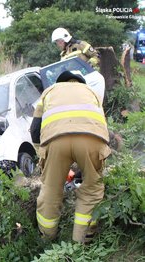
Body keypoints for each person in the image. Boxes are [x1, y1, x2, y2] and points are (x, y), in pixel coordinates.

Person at [30, 70, 111, 243]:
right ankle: (80, 244)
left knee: (50, 191)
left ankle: (47, 241)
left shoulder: (49, 92)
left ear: (60, 81)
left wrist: (43, 155)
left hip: (55, 141)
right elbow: (100, 126)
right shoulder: (92, 93)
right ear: (81, 83)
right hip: (92, 140)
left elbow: (35, 131)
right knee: (91, 190)